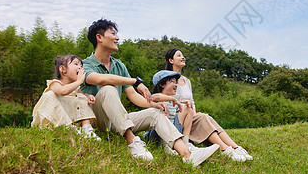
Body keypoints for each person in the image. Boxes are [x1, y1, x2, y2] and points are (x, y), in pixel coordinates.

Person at [80, 19, 219, 166]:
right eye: (113, 34)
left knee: (155, 112)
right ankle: (132, 141)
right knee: (108, 88)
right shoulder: (86, 64)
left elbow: (132, 95)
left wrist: (153, 104)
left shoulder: (118, 65)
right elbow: (98, 79)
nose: (118, 38)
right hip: (95, 119)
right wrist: (135, 81)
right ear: (99, 37)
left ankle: (187, 154)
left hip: (117, 120)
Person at [165, 48, 253, 161]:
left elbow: (192, 102)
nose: (183, 57)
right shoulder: (167, 79)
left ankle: (236, 148)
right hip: (177, 119)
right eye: (179, 55)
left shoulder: (187, 81)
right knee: (202, 117)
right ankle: (225, 149)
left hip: (189, 116)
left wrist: (193, 116)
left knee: (206, 117)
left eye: (183, 55)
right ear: (171, 60)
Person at [31, 55, 101, 141]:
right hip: (52, 123)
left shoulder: (76, 88)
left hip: (72, 123)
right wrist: (79, 81)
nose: (80, 67)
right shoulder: (55, 83)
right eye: (76, 64)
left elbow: (82, 95)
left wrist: (88, 96)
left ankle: (86, 128)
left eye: (81, 66)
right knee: (49, 95)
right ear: (63, 69)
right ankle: (69, 129)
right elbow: (62, 91)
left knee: (81, 97)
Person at [148, 70, 196, 155]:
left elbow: (182, 112)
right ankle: (166, 146)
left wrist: (186, 106)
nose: (176, 85)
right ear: (162, 84)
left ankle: (185, 143)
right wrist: (173, 99)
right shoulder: (157, 99)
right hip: (157, 134)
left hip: (172, 130)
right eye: (172, 82)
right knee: (162, 111)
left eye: (176, 82)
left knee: (188, 109)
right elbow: (153, 97)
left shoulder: (173, 102)